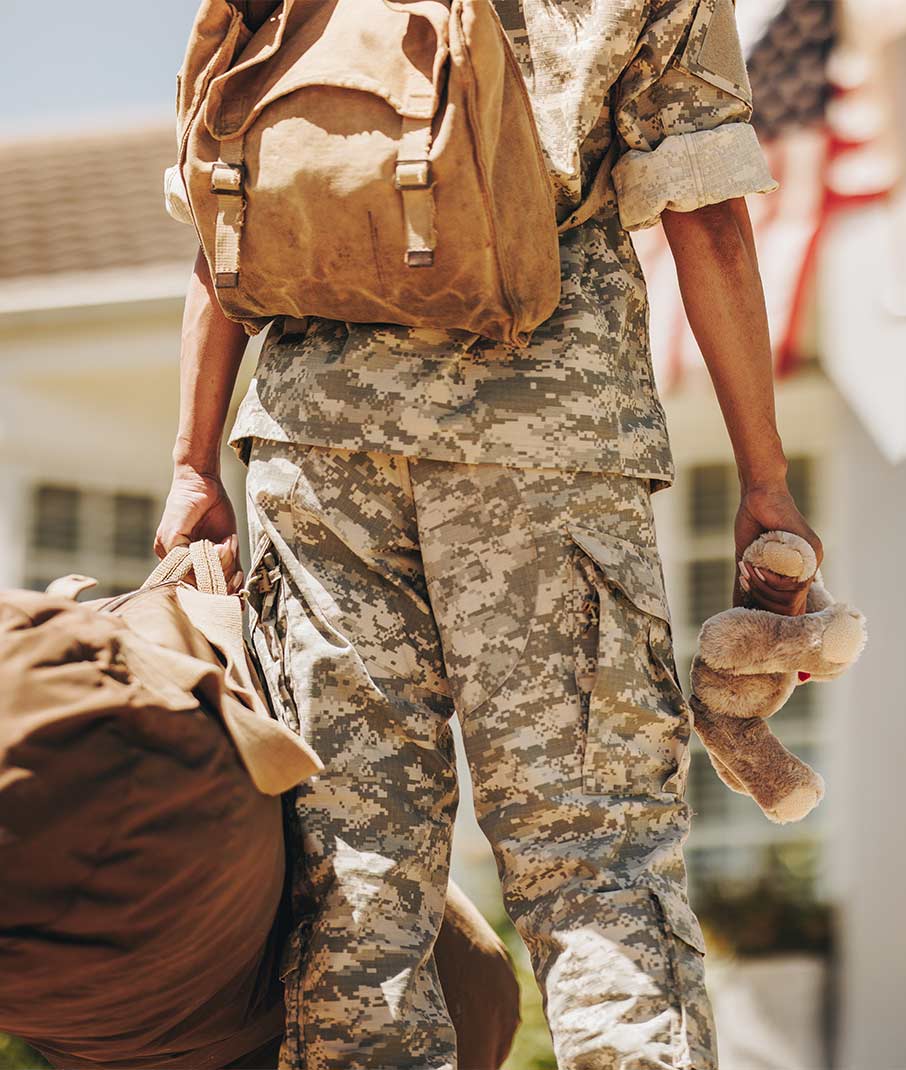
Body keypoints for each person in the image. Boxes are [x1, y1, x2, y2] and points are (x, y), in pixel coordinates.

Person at [155, 0, 822, 1065]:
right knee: (598, 861)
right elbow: (706, 215)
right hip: (546, 447)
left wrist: (193, 463)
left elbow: (223, 213)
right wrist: (767, 477)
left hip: (319, 455)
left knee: (352, 874)